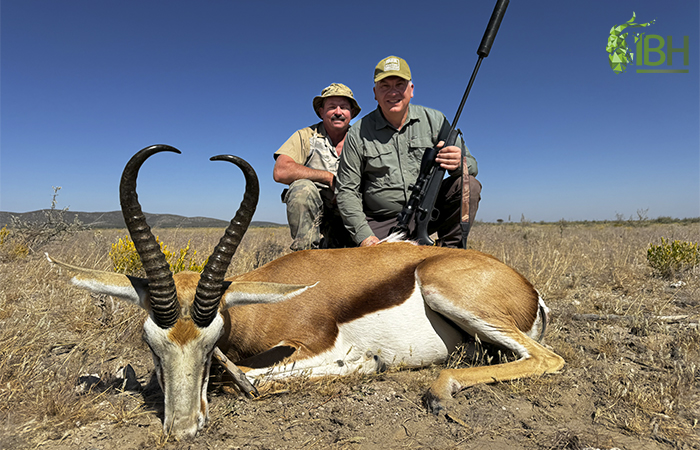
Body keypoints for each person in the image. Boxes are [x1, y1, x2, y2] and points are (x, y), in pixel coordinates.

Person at [336, 56, 481, 248]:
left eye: (399, 84)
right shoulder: (358, 131)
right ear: (375, 93)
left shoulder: (435, 120)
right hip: (381, 223)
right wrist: (365, 238)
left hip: (427, 213)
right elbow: (346, 190)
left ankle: (451, 251)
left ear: (411, 90)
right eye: (385, 86)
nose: (393, 92)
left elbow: (471, 166)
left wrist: (459, 163)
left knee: (468, 184)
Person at [273, 83, 361, 250]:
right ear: (321, 112)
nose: (338, 112)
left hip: (353, 211)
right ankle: (305, 256)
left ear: (352, 113)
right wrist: (328, 177)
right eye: (332, 107)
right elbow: (281, 171)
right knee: (302, 188)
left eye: (344, 107)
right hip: (319, 214)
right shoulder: (305, 135)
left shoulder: (364, 138)